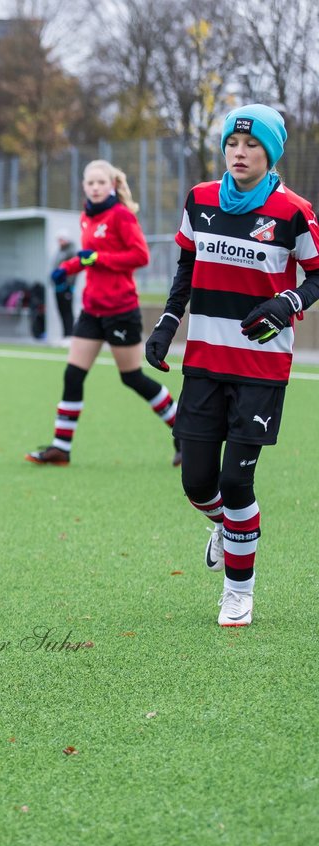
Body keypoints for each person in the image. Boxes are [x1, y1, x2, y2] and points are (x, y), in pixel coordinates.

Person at [144, 104, 319, 627]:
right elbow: (187, 267)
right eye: (232, 145)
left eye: (251, 146)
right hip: (203, 363)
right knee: (198, 484)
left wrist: (286, 304)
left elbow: (317, 276)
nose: (239, 154)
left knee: (237, 484)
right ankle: (230, 529)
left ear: (271, 153)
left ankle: (238, 590)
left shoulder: (293, 211)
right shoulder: (199, 201)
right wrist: (168, 324)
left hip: (261, 371)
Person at [25, 159, 180, 467]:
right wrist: (66, 269)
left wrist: (99, 258)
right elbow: (87, 258)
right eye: (90, 183)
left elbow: (140, 256)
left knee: (133, 378)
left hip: (121, 310)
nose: (95, 187)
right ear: (83, 186)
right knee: (73, 374)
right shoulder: (86, 217)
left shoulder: (121, 216)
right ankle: (60, 447)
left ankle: (185, 436)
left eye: (100, 182)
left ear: (113, 186)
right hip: (91, 310)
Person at [50, 234, 80, 341]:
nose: (60, 242)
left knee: (68, 311)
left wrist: (69, 285)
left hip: (67, 286)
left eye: (61, 239)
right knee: (61, 310)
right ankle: (64, 335)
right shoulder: (59, 251)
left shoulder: (71, 251)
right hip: (58, 287)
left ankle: (69, 335)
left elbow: (73, 269)